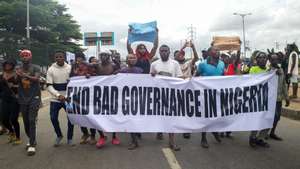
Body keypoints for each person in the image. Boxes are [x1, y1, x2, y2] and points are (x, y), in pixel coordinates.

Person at [150, 44, 183, 151]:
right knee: (159, 115)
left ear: (169, 52)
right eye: (162, 51)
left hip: (171, 94)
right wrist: (152, 75)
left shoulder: (175, 63)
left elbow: (179, 78)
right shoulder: (154, 64)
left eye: (166, 51)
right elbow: (150, 80)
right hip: (158, 95)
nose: (164, 52)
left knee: (171, 117)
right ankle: (159, 130)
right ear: (159, 52)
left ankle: (171, 141)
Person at [195, 46, 222, 148]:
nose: (218, 51)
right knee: (206, 116)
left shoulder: (222, 63)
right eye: (215, 50)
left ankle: (214, 131)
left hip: (218, 94)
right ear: (210, 52)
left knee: (217, 115)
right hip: (205, 94)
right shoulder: (203, 64)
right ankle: (203, 138)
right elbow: (196, 76)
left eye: (218, 50)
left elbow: (223, 76)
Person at [46, 50, 74, 147]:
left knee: (71, 119)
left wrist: (66, 96)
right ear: (55, 58)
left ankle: (70, 138)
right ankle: (59, 135)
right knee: (53, 118)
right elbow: (49, 86)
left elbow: (74, 84)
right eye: (57, 57)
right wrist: (58, 95)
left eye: (61, 56)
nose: (59, 58)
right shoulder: (51, 69)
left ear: (64, 57)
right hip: (55, 99)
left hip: (68, 99)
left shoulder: (70, 68)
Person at [16, 49, 41, 156]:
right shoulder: (18, 68)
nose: (25, 57)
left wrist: (24, 75)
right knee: (25, 121)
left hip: (34, 97)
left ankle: (32, 145)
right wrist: (17, 75)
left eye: (27, 55)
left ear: (30, 57)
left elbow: (36, 79)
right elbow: (16, 80)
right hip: (22, 98)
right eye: (23, 56)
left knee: (31, 120)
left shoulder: (36, 67)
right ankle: (32, 138)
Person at [174, 41, 199, 139]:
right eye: (178, 55)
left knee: (186, 109)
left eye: (181, 54)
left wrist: (193, 48)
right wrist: (183, 47)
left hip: (188, 88)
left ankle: (186, 130)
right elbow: (176, 57)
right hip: (176, 89)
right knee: (177, 109)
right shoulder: (174, 63)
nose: (180, 56)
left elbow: (196, 58)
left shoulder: (188, 63)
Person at [118, 54, 143, 150]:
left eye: (134, 58)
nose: (132, 59)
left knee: (137, 118)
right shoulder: (122, 71)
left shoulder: (140, 71)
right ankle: (134, 141)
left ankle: (138, 133)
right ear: (126, 60)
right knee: (130, 119)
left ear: (136, 60)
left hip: (138, 97)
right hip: (127, 98)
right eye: (129, 58)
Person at [96, 52, 121, 148]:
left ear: (109, 57)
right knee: (98, 115)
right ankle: (102, 136)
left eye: (105, 55)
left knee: (112, 116)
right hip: (99, 94)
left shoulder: (113, 65)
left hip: (112, 94)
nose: (103, 57)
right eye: (101, 55)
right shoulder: (97, 66)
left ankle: (114, 136)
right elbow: (88, 69)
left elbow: (120, 71)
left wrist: (117, 72)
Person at [70, 51, 95, 144]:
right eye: (77, 57)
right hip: (77, 94)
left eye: (80, 57)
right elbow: (71, 76)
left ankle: (92, 135)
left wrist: (90, 76)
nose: (79, 59)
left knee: (90, 115)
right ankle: (85, 133)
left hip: (88, 93)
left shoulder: (88, 66)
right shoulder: (74, 66)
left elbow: (95, 76)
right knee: (79, 114)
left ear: (83, 58)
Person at [248, 51, 270, 148]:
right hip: (256, 99)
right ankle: (252, 138)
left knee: (268, 120)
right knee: (257, 120)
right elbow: (252, 82)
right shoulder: (253, 69)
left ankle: (260, 138)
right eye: (261, 57)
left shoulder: (270, 71)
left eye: (265, 57)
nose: (263, 59)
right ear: (257, 60)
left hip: (267, 99)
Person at [268, 52, 290, 140]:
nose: (275, 61)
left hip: (279, 98)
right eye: (273, 59)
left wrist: (287, 97)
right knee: (272, 116)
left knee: (277, 117)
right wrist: (272, 73)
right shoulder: (268, 71)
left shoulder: (280, 70)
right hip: (270, 99)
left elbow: (284, 84)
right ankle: (265, 132)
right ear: (270, 60)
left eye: (276, 59)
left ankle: (272, 133)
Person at [0, 58, 21, 145]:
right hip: (4, 99)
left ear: (13, 65)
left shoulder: (17, 75)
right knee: (4, 119)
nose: (7, 66)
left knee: (13, 119)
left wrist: (14, 86)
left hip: (15, 99)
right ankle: (12, 132)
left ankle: (18, 137)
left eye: (10, 64)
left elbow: (23, 86)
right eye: (6, 64)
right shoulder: (1, 75)